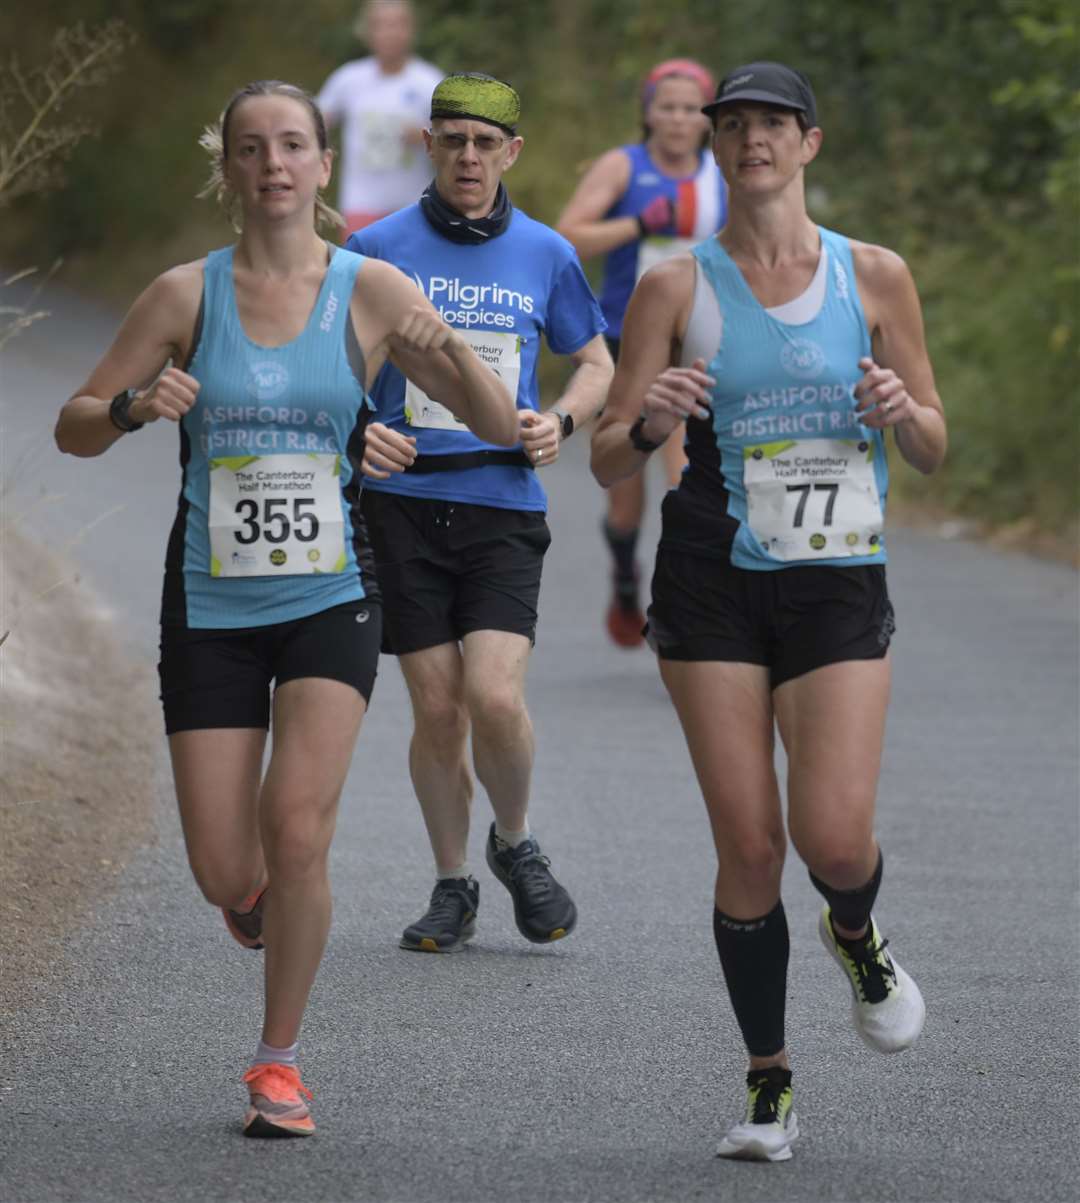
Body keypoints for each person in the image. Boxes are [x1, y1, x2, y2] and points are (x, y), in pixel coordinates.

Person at [53, 79, 516, 1138]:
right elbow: (74, 426)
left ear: (322, 168)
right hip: (211, 599)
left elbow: (486, 407)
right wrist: (132, 406)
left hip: (332, 595)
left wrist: (481, 387)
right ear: (229, 171)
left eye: (293, 146)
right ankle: (253, 898)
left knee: (298, 828)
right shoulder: (184, 295)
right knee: (230, 864)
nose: (273, 165)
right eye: (252, 149)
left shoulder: (372, 288)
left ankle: (277, 1064)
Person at [591, 62, 947, 1162]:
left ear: (810, 143)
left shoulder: (873, 277)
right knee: (749, 843)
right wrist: (648, 421)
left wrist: (901, 411)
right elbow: (606, 448)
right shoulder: (672, 288)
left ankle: (857, 931)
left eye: (771, 125)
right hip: (711, 578)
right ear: (713, 142)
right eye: (731, 124)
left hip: (839, 574)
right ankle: (768, 1082)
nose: (751, 141)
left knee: (832, 837)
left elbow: (935, 442)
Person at [346, 73, 613, 954]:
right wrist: (356, 433)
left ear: (512, 153)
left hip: (502, 498)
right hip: (405, 502)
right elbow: (324, 365)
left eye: (484, 143)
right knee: (438, 709)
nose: (468, 156)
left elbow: (597, 363)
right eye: (452, 139)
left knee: (494, 696)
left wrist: (562, 418)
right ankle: (453, 882)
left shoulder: (545, 252)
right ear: (428, 145)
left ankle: (515, 840)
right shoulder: (375, 249)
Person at [557, 59, 727, 648]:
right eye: (667, 107)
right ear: (648, 111)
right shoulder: (622, 166)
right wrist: (636, 224)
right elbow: (569, 233)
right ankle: (627, 575)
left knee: (685, 479)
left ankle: (686, 608)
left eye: (690, 109)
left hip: (702, 346)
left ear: (707, 119)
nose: (678, 120)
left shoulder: (723, 173)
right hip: (629, 342)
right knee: (625, 492)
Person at [317, 0, 444, 234]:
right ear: (368, 32)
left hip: (413, 205)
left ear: (411, 30)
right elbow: (314, 123)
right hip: (361, 204)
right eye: (382, 25)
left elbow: (452, 137)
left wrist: (426, 137)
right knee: (359, 269)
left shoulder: (430, 81)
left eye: (398, 25)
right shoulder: (348, 79)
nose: (390, 33)